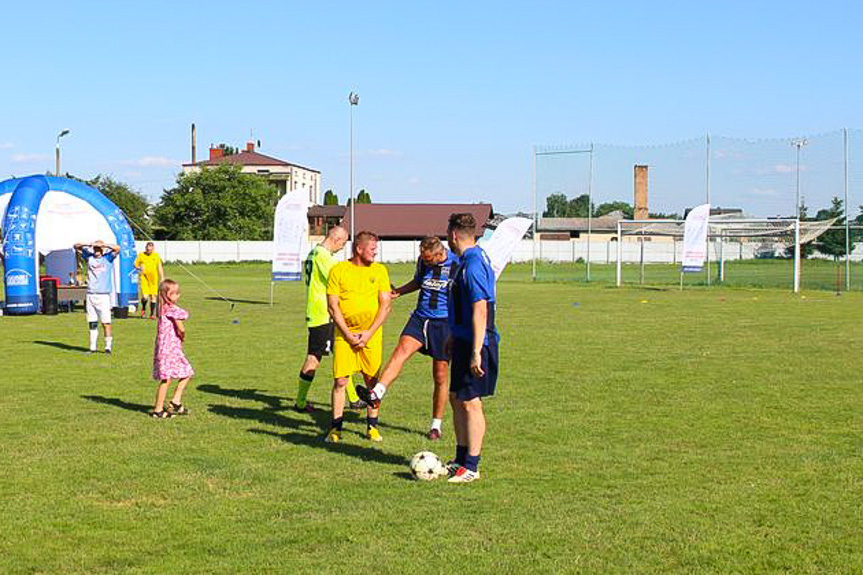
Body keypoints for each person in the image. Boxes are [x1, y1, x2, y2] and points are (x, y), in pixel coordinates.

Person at [355, 236, 459, 440]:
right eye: (423, 259)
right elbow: (419, 281)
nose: (426, 263)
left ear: (440, 254)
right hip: (420, 319)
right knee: (399, 353)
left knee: (440, 375)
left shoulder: (456, 263)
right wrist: (399, 292)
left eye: (429, 260)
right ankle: (376, 395)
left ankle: (435, 425)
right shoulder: (424, 261)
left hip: (444, 324)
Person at [444, 213, 499, 484]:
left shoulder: (474, 263)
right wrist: (454, 336)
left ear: (454, 235)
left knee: (470, 402)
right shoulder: (465, 262)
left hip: (478, 342)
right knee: (456, 398)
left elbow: (481, 309)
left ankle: (473, 467)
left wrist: (476, 351)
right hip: (464, 339)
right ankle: (460, 459)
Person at [324, 231, 392, 443]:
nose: (375, 252)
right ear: (359, 249)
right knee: (341, 381)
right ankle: (335, 428)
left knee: (372, 382)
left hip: (371, 335)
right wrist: (348, 334)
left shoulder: (380, 271)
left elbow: (385, 305)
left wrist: (368, 333)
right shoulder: (339, 270)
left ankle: (372, 427)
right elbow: (333, 306)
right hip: (345, 335)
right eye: (372, 249)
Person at [295, 225, 366, 413]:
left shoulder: (313, 254)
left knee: (342, 354)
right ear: (336, 239)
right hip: (323, 314)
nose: (342, 247)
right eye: (343, 243)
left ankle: (353, 398)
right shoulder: (323, 257)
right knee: (314, 358)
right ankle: (300, 402)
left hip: (323, 313)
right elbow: (341, 281)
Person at [151, 279, 194, 419]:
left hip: (166, 348)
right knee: (169, 379)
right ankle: (158, 409)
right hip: (170, 349)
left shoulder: (161, 309)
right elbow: (181, 327)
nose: (177, 295)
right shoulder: (171, 310)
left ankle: (176, 401)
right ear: (166, 295)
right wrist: (183, 334)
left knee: (185, 372)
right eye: (174, 293)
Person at [74, 240, 120, 354]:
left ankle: (107, 347)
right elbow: (76, 246)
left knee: (106, 322)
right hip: (91, 294)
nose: (97, 251)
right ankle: (92, 347)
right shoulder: (89, 257)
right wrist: (89, 244)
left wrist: (104, 245)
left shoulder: (108, 258)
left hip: (103, 295)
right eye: (95, 249)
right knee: (92, 322)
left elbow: (118, 248)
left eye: (99, 249)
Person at [134, 242, 165, 319]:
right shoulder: (141, 255)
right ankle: (143, 308)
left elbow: (159, 267)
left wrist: (162, 278)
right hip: (144, 278)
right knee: (145, 297)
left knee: (153, 296)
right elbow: (135, 264)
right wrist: (139, 268)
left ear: (153, 249)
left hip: (153, 278)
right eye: (147, 249)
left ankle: (152, 314)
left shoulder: (156, 256)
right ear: (145, 248)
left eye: (150, 249)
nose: (148, 250)